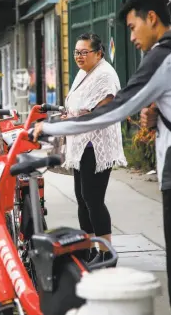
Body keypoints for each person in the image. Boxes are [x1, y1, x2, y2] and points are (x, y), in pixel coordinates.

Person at [33, 0, 171, 315]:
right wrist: (158, 115)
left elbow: (114, 110)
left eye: (133, 27)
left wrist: (49, 129)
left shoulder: (163, 55)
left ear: (152, 18)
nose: (131, 37)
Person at [64, 33, 127, 264]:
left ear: (98, 53)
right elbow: (77, 104)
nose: (79, 57)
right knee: (82, 198)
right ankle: (90, 248)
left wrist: (82, 115)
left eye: (84, 52)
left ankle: (106, 252)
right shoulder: (84, 72)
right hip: (82, 143)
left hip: (97, 145)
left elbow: (104, 108)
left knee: (93, 198)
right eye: (76, 52)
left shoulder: (105, 75)